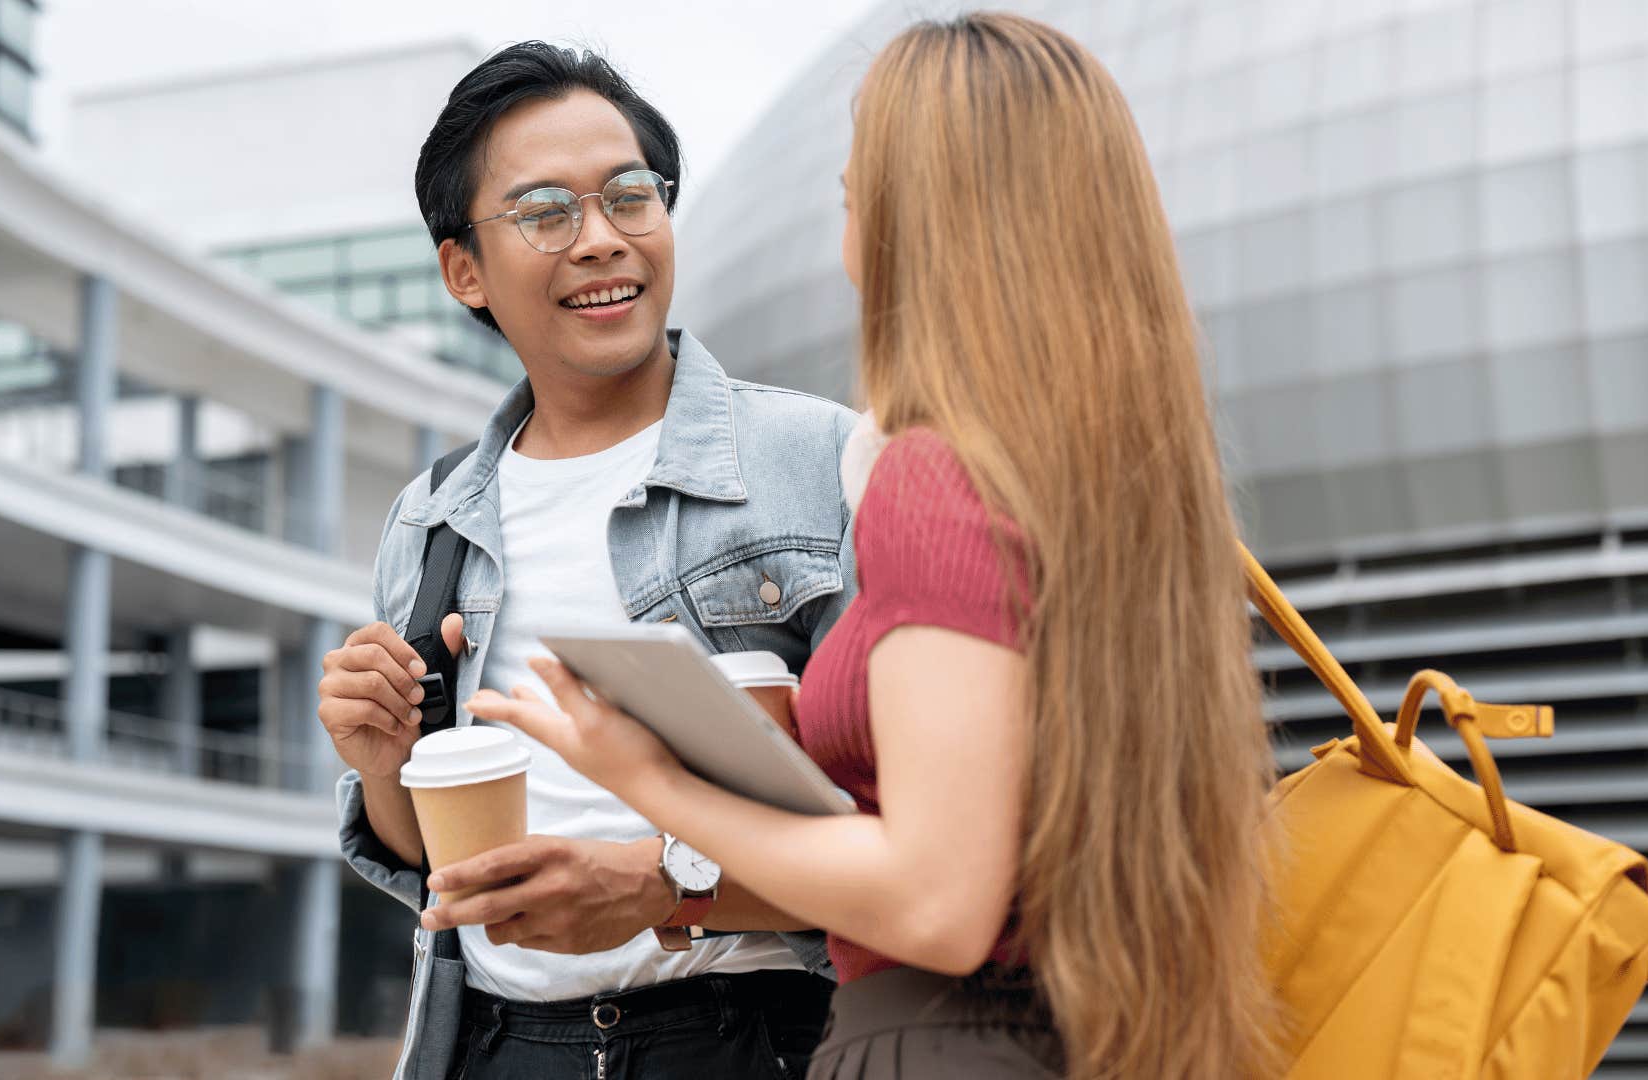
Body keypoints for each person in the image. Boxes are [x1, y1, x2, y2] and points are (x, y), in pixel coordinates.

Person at [465, 13, 1281, 1079]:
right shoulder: (1122, 492)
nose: (846, 235)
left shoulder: (933, 480)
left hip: (935, 1041)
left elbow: (937, 903)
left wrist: (651, 780)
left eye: (856, 199)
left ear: (918, 223)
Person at [319, 42, 857, 1080]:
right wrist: (384, 765)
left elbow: (905, 844)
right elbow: (436, 859)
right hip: (492, 1045)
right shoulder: (428, 521)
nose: (602, 240)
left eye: (629, 197)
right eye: (546, 214)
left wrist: (663, 882)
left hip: (751, 1036)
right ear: (463, 270)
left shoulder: (821, 462)